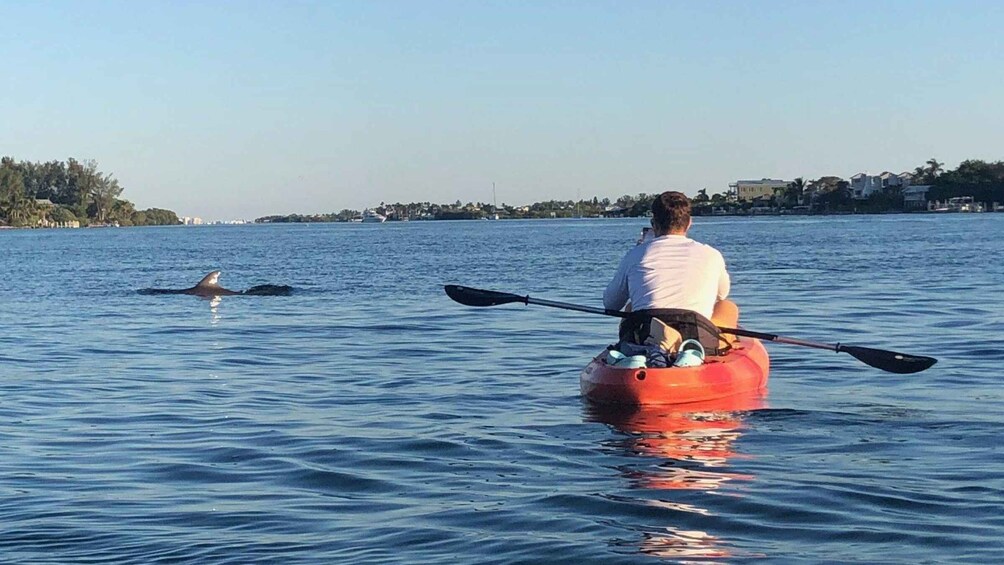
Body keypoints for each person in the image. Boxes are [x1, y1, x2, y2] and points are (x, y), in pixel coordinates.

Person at [604, 191, 738, 351]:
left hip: (645, 330)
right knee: (728, 306)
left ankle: (656, 344)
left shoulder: (635, 254)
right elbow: (722, 295)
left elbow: (611, 305)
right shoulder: (711, 254)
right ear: (689, 223)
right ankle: (686, 349)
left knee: (631, 307)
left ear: (654, 224)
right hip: (694, 330)